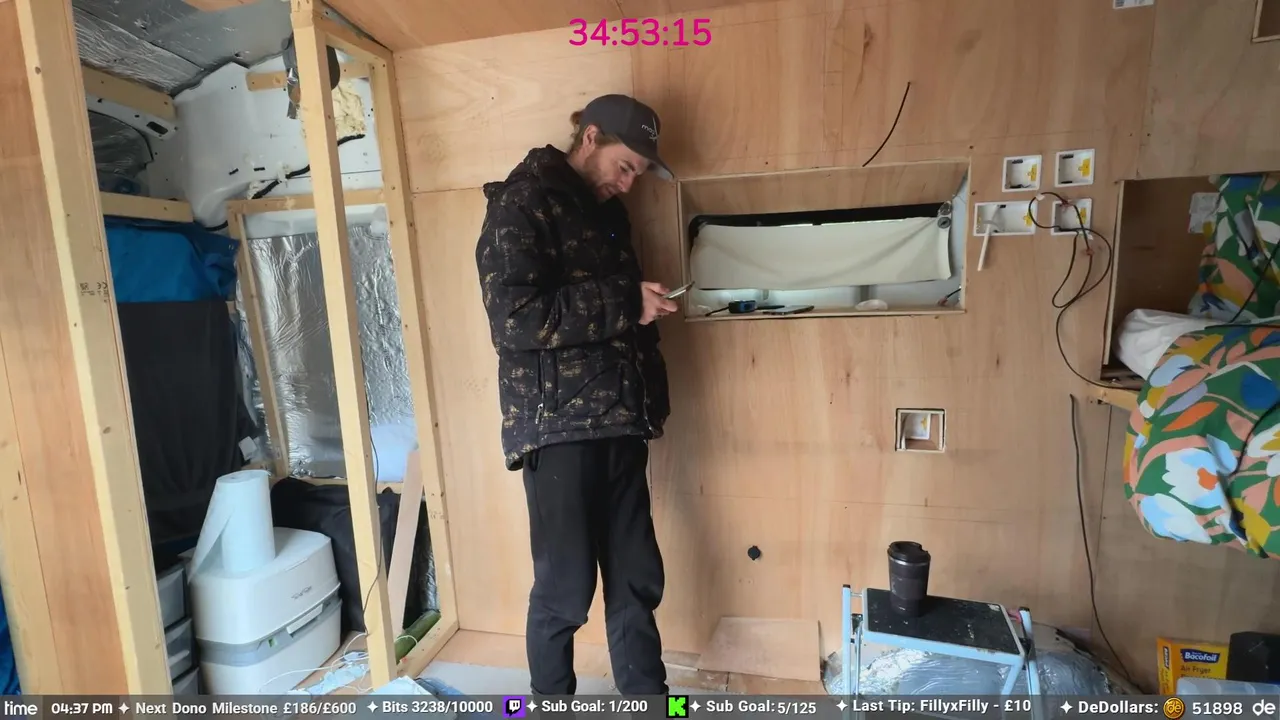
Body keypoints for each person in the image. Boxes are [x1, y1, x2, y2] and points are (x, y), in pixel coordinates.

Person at [474, 94, 678, 697]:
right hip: (557, 429)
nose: (629, 183)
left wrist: (648, 371)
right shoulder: (521, 202)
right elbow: (514, 319)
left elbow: (616, 317)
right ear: (590, 137)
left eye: (638, 173)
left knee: (636, 580)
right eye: (625, 166)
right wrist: (625, 301)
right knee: (565, 591)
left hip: (621, 420)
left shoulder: (609, 217)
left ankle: (653, 705)